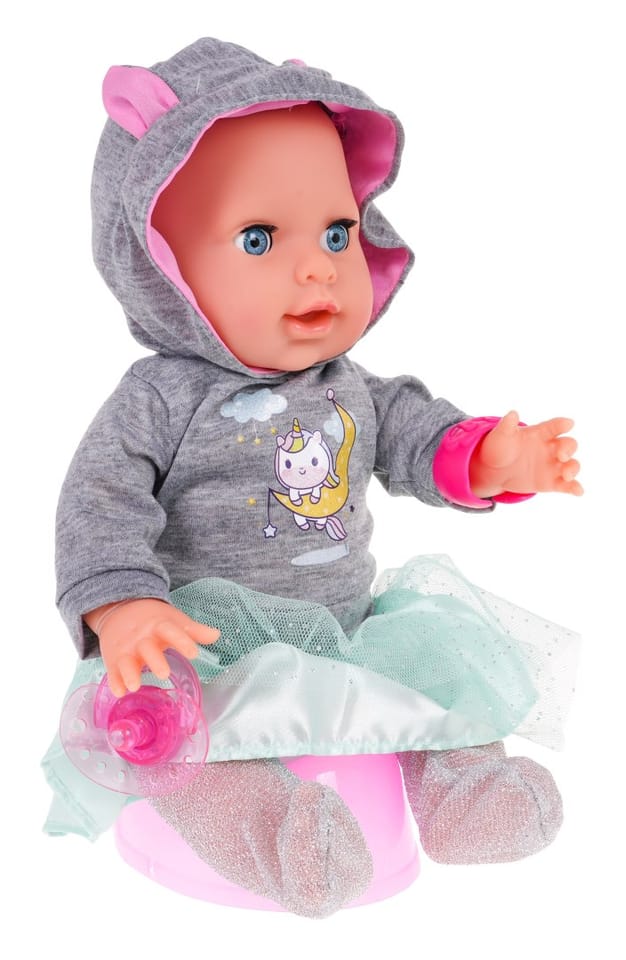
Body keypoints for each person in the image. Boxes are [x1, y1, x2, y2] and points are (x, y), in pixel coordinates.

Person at [43, 38, 581, 918]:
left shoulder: (348, 387)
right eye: (259, 239)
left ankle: (463, 795)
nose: (317, 267)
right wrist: (123, 605)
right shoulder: (159, 399)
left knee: (434, 676)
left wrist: (484, 457)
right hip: (204, 646)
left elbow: (415, 432)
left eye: (337, 233)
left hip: (346, 632)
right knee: (188, 750)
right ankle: (272, 834)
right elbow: (99, 500)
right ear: (159, 265)